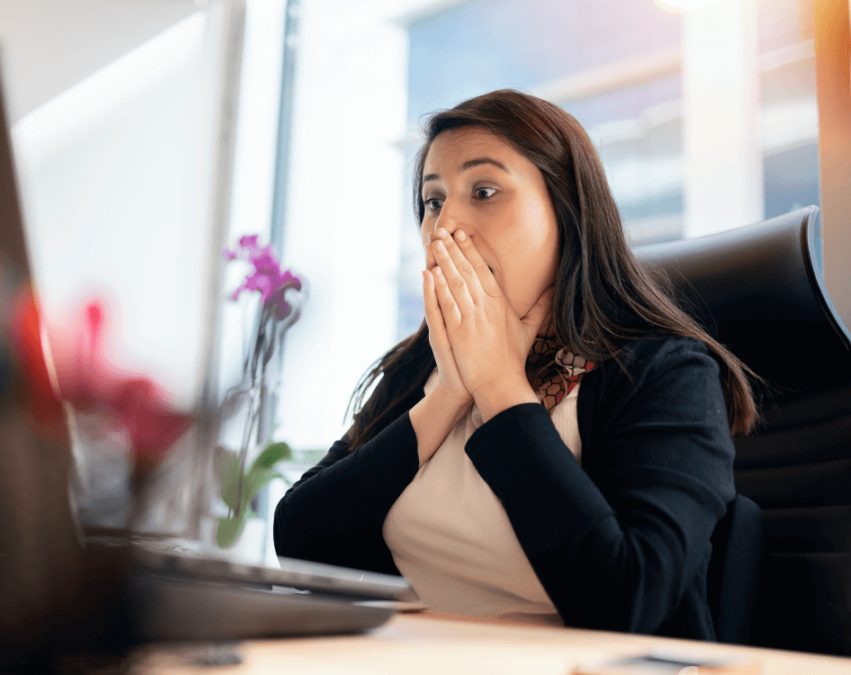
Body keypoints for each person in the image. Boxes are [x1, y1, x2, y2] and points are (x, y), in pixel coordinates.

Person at [272, 90, 757, 640]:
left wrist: (499, 386)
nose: (445, 224)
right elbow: (301, 540)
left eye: (484, 191)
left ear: (566, 210)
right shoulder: (422, 365)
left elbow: (628, 599)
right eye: (433, 201)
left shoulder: (665, 374)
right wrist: (450, 393)